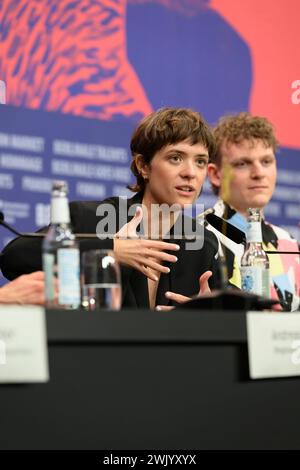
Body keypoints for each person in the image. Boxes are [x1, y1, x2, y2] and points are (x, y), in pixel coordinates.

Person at [0, 107, 220, 309]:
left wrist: (212, 313)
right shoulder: (93, 218)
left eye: (200, 161)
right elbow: (15, 257)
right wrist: (110, 249)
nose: (190, 172)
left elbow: (241, 308)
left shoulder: (202, 243)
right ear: (143, 165)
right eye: (175, 158)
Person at [205, 112, 300, 311]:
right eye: (242, 163)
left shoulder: (288, 241)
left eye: (266, 161)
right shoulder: (201, 236)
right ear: (215, 174)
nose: (259, 173)